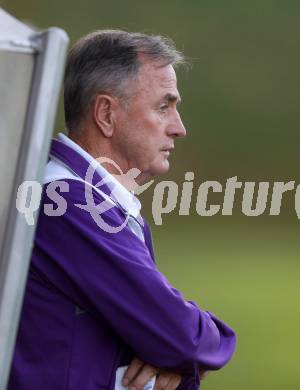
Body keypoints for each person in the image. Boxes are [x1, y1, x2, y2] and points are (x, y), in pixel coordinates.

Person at [8, 30, 236, 390]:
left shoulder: (81, 197)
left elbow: (170, 342)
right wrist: (208, 341)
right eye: (164, 106)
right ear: (106, 114)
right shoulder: (69, 204)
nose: (179, 128)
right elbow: (184, 338)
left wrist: (172, 359)